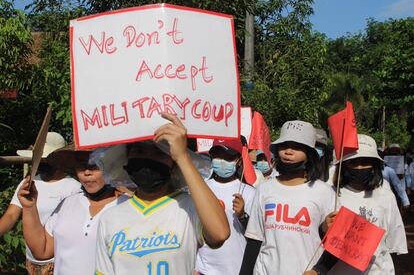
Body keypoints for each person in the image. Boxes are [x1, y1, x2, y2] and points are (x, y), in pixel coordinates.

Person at [94, 112, 230, 274]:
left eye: (158, 152)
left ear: (172, 162)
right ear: (126, 159)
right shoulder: (110, 218)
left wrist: (183, 157)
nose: (147, 158)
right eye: (139, 151)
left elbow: (220, 234)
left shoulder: (189, 208)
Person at [239, 120, 336, 275]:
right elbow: (254, 240)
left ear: (309, 154)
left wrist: (319, 270)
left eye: (297, 147)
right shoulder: (265, 189)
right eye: (284, 146)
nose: (288, 151)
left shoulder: (324, 192)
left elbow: (336, 243)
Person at [17, 145, 129, 275]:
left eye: (95, 165)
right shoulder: (67, 204)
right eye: (81, 166)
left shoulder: (127, 207)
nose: (87, 172)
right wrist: (29, 207)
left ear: (112, 166)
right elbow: (42, 250)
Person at [308, 134, 408, 275]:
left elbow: (392, 243)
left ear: (374, 165)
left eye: (365, 162)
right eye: (353, 162)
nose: (360, 167)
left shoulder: (385, 195)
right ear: (343, 165)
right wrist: (324, 228)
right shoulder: (329, 193)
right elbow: (312, 238)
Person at [0, 132, 80, 275]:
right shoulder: (30, 182)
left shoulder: (73, 188)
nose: (38, 163)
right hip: (32, 260)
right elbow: (11, 215)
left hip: (58, 261)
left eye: (42, 159)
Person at [195, 139, 256, 275]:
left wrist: (242, 216)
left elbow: (257, 235)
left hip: (235, 268)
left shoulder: (250, 192)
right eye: (217, 156)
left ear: (239, 161)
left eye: (227, 157)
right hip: (203, 269)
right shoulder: (200, 187)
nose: (221, 161)